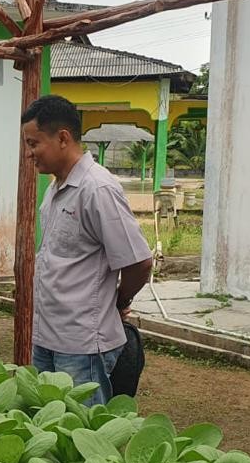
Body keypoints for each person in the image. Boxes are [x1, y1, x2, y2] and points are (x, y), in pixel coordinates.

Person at [21, 95, 153, 406]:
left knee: (83, 435)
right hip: (48, 336)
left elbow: (139, 262)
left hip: (82, 345)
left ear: (63, 138)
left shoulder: (98, 188)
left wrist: (119, 299)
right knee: (48, 426)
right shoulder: (54, 190)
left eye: (34, 143)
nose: (30, 154)